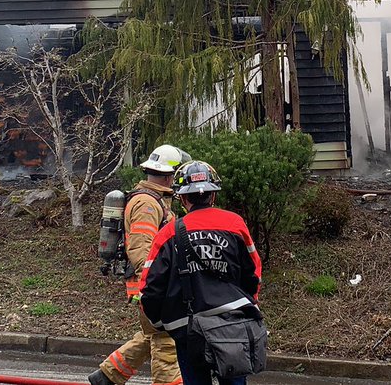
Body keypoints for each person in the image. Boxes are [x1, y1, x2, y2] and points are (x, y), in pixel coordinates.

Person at [139, 161, 263, 385]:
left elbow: (150, 288)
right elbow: (253, 273)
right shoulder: (235, 224)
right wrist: (248, 304)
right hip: (232, 326)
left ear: (183, 198)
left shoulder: (169, 233)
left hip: (188, 331)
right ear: (213, 195)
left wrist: (160, 322)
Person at [87, 145, 188, 385]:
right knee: (166, 338)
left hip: (150, 282)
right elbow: (141, 249)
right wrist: (155, 285)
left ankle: (107, 376)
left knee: (151, 333)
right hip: (151, 283)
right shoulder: (147, 204)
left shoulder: (153, 200)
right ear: (169, 176)